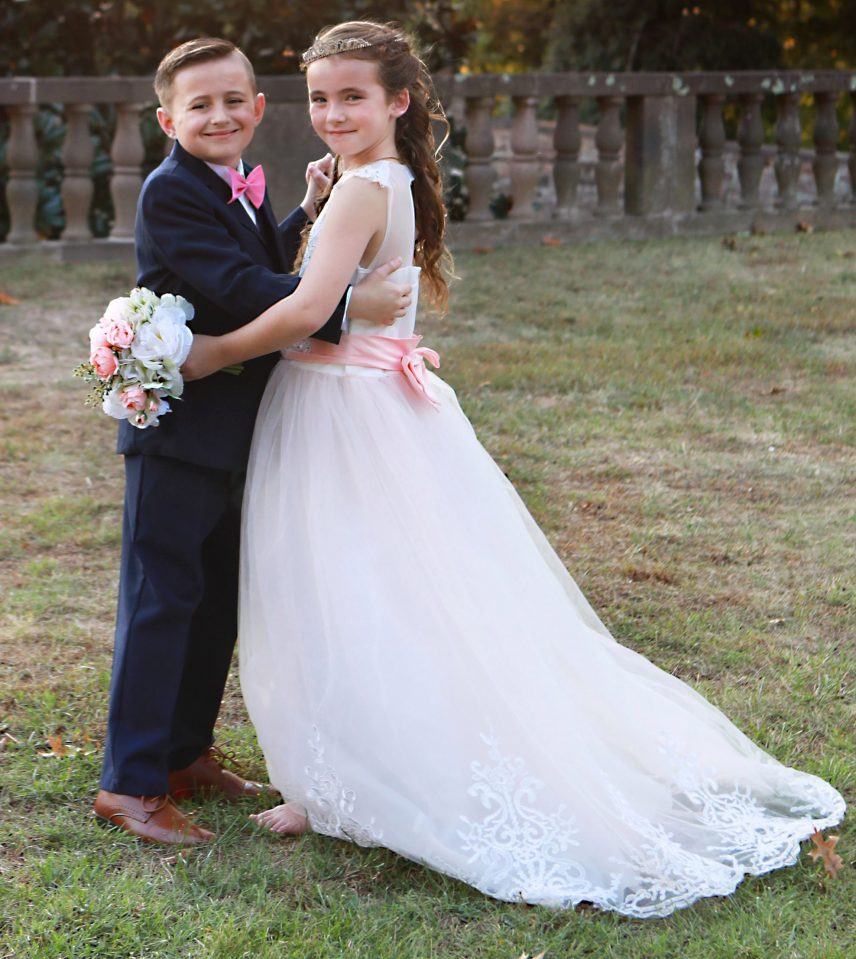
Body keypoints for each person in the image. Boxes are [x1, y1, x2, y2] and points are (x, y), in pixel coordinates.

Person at [181, 22, 845, 916]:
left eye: (353, 96)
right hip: (380, 408)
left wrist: (204, 355)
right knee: (384, 588)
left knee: (338, 588)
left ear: (397, 101)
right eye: (322, 97)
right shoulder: (386, 177)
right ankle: (335, 773)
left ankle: (347, 781)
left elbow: (303, 311)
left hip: (338, 413)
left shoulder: (357, 192)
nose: (333, 112)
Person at [94, 36, 412, 847]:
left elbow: (260, 255)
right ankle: (129, 782)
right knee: (162, 598)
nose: (221, 115)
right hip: (183, 429)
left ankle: (182, 752)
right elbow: (237, 290)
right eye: (199, 105)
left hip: (243, 425)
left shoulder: (231, 186)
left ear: (258, 108)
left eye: (235, 99)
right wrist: (346, 308)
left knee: (214, 599)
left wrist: (302, 214)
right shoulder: (171, 192)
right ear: (168, 119)